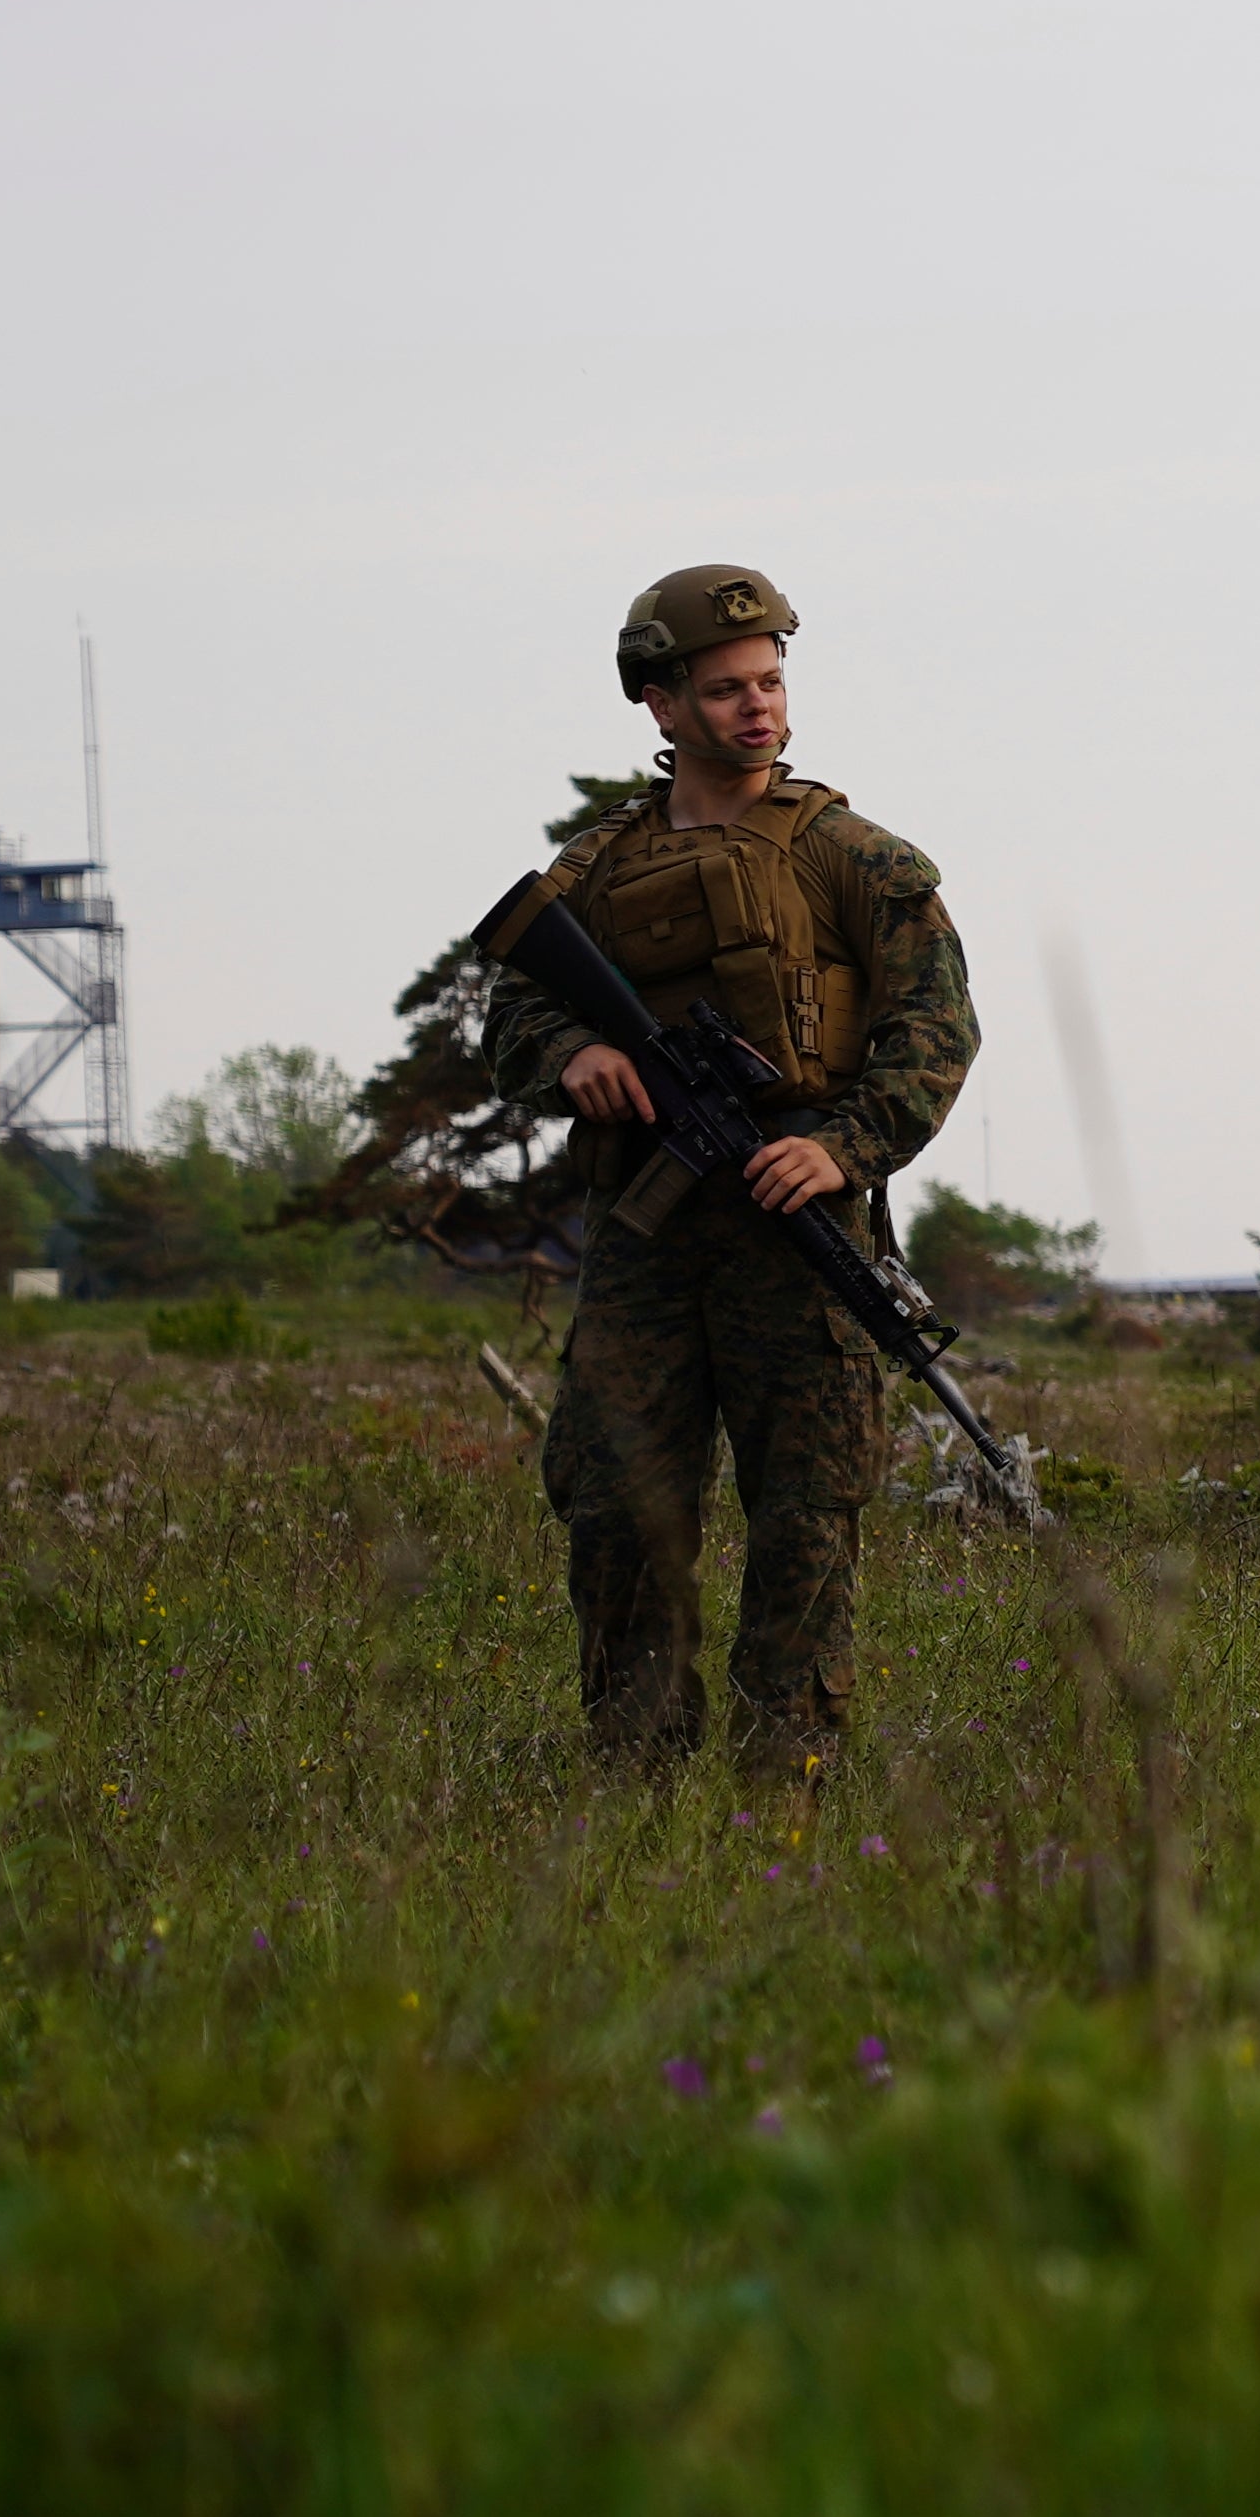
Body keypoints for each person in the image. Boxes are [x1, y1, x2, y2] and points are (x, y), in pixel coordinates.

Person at [481, 566, 980, 1775]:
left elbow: (936, 1033)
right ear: (657, 704)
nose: (758, 708)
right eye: (724, 689)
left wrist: (840, 1149)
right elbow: (508, 1021)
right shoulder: (592, 873)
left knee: (807, 1518)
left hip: (796, 1240)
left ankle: (785, 1784)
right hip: (644, 1245)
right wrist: (578, 1053)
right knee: (612, 1513)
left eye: (771, 682)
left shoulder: (858, 858)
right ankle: (634, 1771)